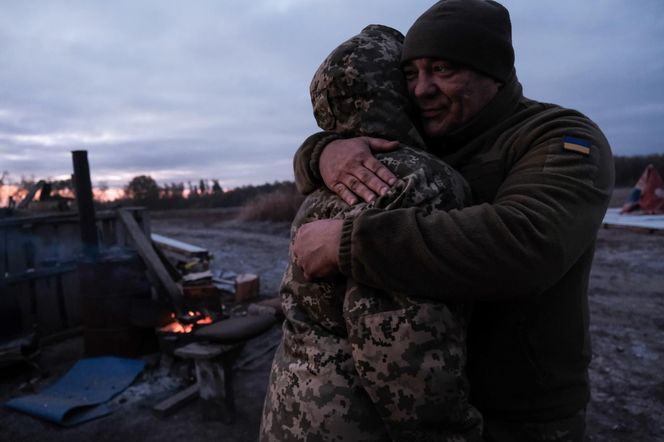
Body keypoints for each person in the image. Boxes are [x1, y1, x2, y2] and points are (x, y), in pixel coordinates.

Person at [291, 1, 614, 441]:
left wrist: (349, 243)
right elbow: (346, 153)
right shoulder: (428, 135)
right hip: (430, 398)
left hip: (524, 410)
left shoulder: (560, 136)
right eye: (411, 73)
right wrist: (321, 153)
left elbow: (526, 244)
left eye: (442, 69)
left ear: (494, 74)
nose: (422, 89)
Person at [260, 25, 481, 441]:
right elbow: (403, 351)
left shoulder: (328, 183)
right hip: (355, 421)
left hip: (291, 410)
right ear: (395, 92)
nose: (422, 89)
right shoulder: (411, 180)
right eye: (410, 78)